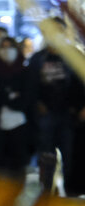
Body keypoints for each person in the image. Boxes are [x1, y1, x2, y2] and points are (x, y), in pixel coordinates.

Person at [27, 19, 83, 191]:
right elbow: (29, 85)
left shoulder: (73, 55)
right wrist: (36, 103)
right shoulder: (37, 59)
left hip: (69, 114)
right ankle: (45, 192)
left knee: (70, 156)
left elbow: (80, 82)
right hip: (45, 114)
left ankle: (70, 192)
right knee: (46, 156)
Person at [0, 36, 32, 179]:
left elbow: (24, 101)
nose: (7, 50)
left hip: (20, 129)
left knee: (17, 173)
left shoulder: (25, 72)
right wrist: (10, 95)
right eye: (3, 47)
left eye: (10, 46)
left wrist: (2, 94)